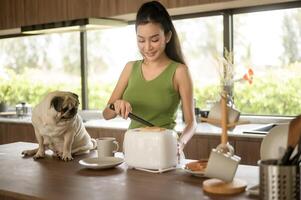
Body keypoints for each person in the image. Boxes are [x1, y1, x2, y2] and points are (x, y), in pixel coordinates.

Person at [102, 1, 196, 152]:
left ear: (167, 36)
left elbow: (191, 123)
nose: (147, 47)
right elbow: (106, 114)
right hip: (132, 150)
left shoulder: (179, 71)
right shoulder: (130, 68)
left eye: (154, 40)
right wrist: (117, 105)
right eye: (141, 40)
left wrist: (181, 143)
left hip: (164, 150)